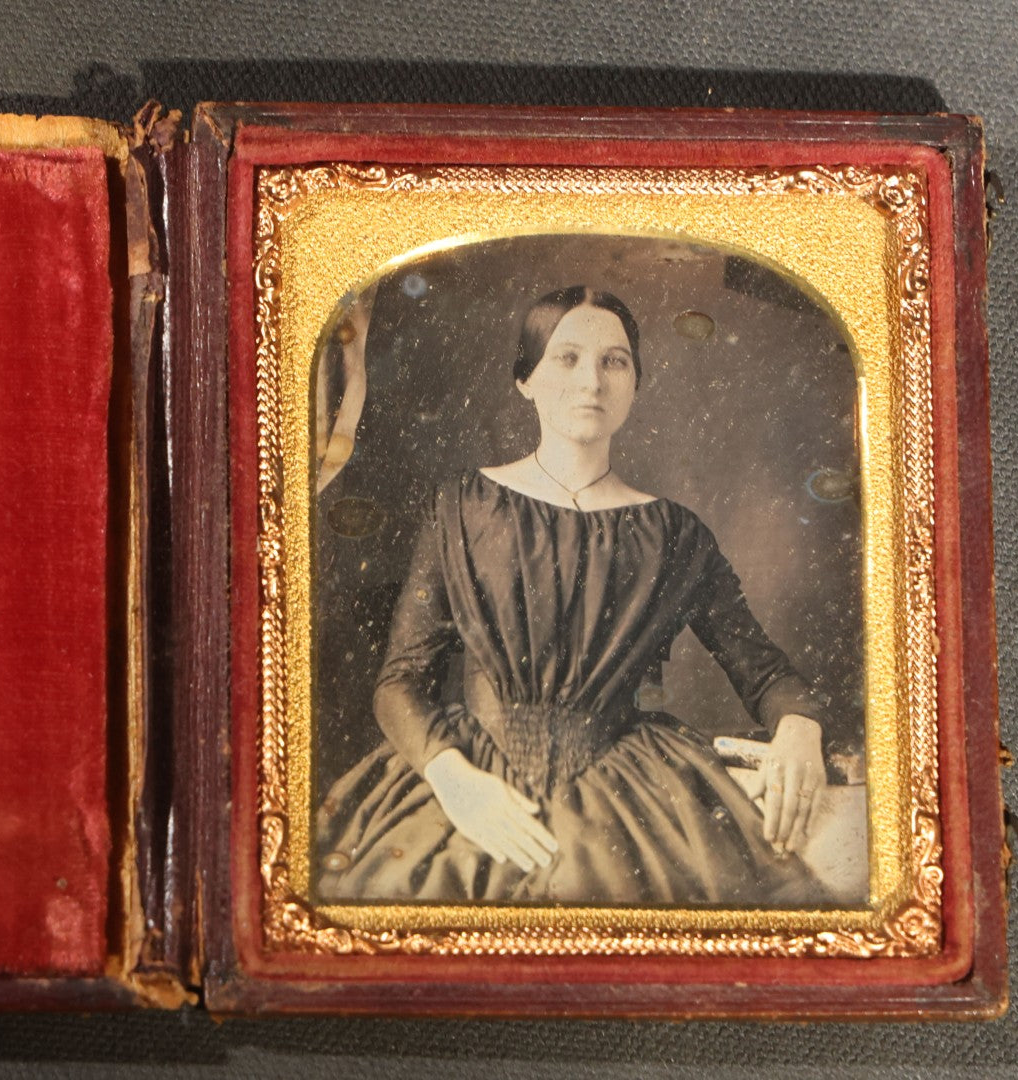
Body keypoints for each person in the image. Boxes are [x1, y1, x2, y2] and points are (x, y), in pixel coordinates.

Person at [316, 285, 835, 905]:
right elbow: (399, 681)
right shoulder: (462, 506)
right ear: (526, 379)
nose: (592, 379)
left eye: (614, 360)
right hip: (468, 776)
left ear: (635, 384)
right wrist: (452, 776)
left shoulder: (674, 534)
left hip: (627, 786)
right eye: (567, 357)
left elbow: (765, 671)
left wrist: (801, 727)